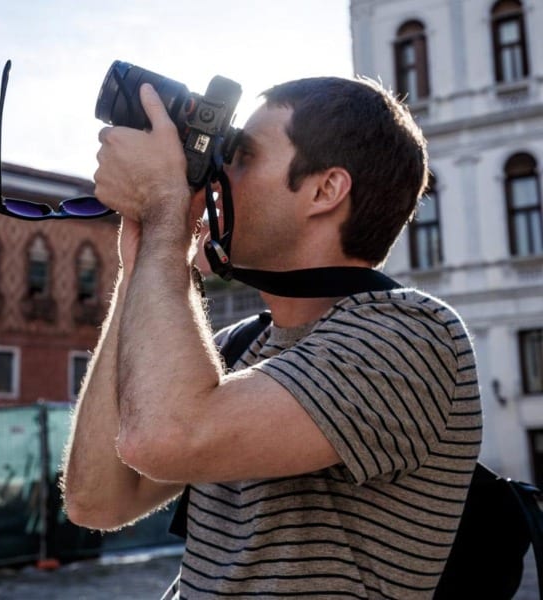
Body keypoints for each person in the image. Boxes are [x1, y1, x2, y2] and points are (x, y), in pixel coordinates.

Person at [62, 74, 482, 599]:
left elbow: (165, 438)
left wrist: (167, 215)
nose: (218, 175)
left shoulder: (413, 335)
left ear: (325, 190)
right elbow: (97, 500)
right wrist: (142, 256)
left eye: (243, 155)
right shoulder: (238, 350)